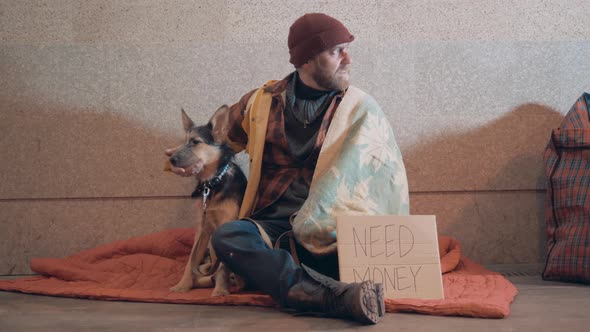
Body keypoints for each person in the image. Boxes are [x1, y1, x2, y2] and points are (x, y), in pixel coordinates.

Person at [166, 13, 409, 324]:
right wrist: (189, 161)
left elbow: (385, 174)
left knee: (348, 256)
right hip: (272, 225)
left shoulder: (361, 108)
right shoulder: (261, 102)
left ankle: (301, 287)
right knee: (227, 237)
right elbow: (220, 144)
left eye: (346, 49)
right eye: (336, 51)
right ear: (306, 60)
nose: (348, 58)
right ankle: (326, 295)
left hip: (332, 227)